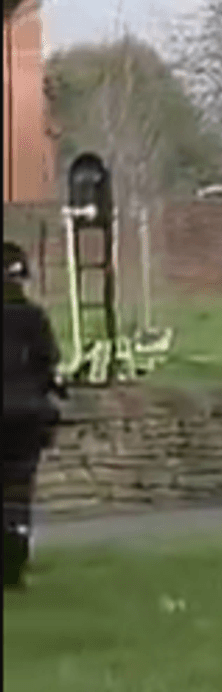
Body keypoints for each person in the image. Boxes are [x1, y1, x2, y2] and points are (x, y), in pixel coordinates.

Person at [3, 242, 64, 589]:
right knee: (16, 493)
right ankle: (12, 568)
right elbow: (48, 365)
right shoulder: (33, 318)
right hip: (25, 417)